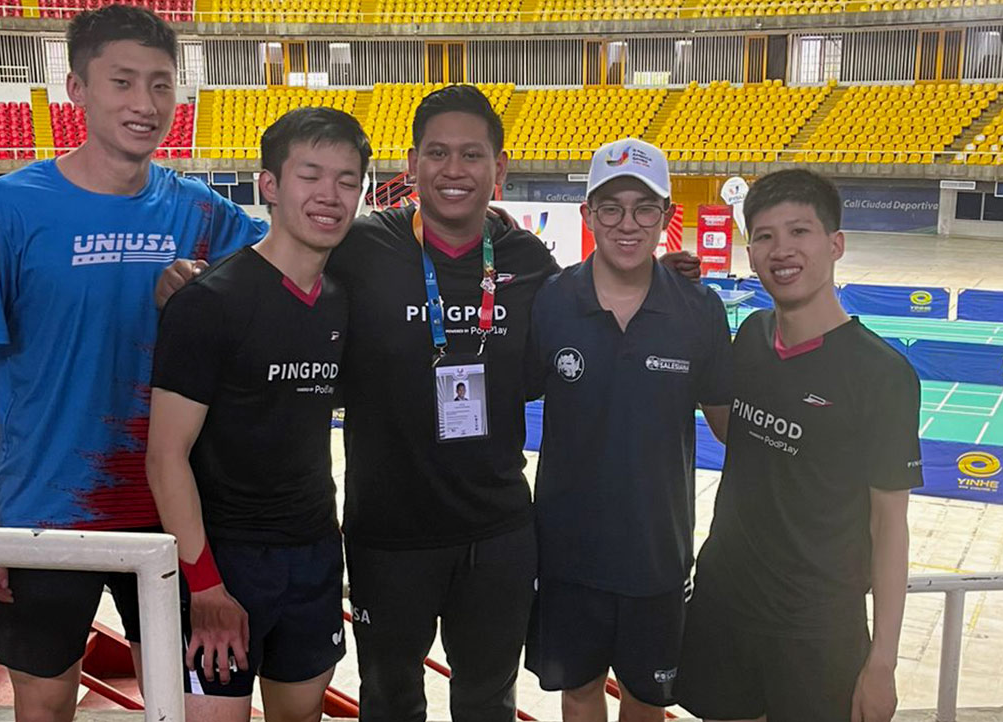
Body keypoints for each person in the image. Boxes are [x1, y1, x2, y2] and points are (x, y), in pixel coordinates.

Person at [0, 7, 267, 721]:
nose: (144, 104)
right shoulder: (7, 206)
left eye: (160, 84)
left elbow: (294, 263)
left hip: (177, 510)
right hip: (45, 512)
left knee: (195, 706)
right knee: (46, 704)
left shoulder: (203, 213)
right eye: (122, 81)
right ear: (76, 89)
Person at [325, 83, 556, 722]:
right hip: (389, 534)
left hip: (497, 531)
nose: (454, 171)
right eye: (438, 154)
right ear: (412, 164)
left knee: (487, 702)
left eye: (472, 155)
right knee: (391, 699)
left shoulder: (528, 259)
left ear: (499, 168)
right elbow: (274, 268)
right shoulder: (361, 249)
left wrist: (665, 280)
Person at [146, 106, 369, 722]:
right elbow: (165, 458)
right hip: (225, 562)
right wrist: (205, 584)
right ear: (269, 186)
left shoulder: (341, 301)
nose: (329, 195)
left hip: (314, 554)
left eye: (347, 180)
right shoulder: (208, 303)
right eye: (311, 175)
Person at [677, 169, 921, 722]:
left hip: (816, 630)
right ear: (750, 250)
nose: (781, 250)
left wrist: (882, 662)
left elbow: (889, 528)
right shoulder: (752, 337)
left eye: (799, 232)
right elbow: (735, 432)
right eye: (764, 236)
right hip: (724, 606)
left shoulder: (882, 374)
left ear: (835, 244)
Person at [524, 138, 733, 722]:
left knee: (647, 698)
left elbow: (733, 430)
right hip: (567, 556)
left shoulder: (699, 311)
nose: (627, 223)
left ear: (666, 218)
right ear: (588, 215)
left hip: (657, 558)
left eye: (644, 208)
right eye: (610, 207)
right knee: (580, 691)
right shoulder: (551, 303)